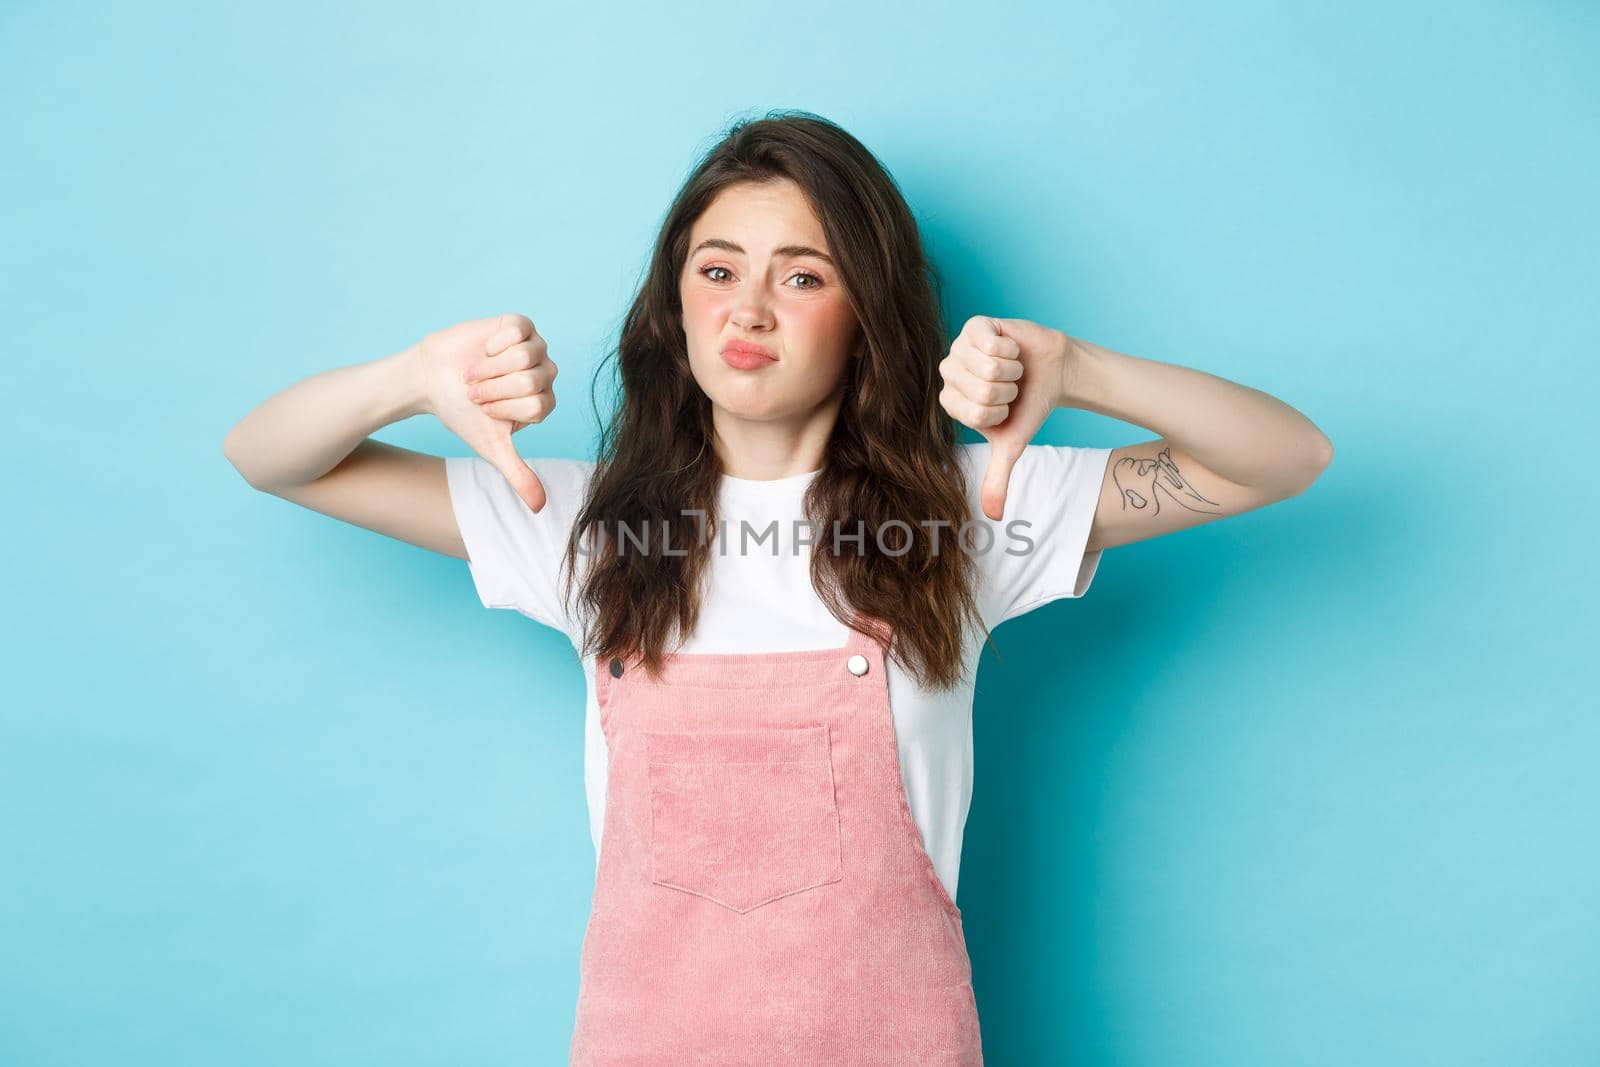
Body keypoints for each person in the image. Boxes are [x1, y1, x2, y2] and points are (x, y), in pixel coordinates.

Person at [222, 110, 1332, 1065]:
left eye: (801, 274)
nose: (747, 309)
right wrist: (414, 378)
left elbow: (1280, 456)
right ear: (675, 308)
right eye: (717, 270)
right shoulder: (578, 522)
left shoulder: (975, 507)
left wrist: (1081, 367)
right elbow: (270, 455)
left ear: (868, 318)